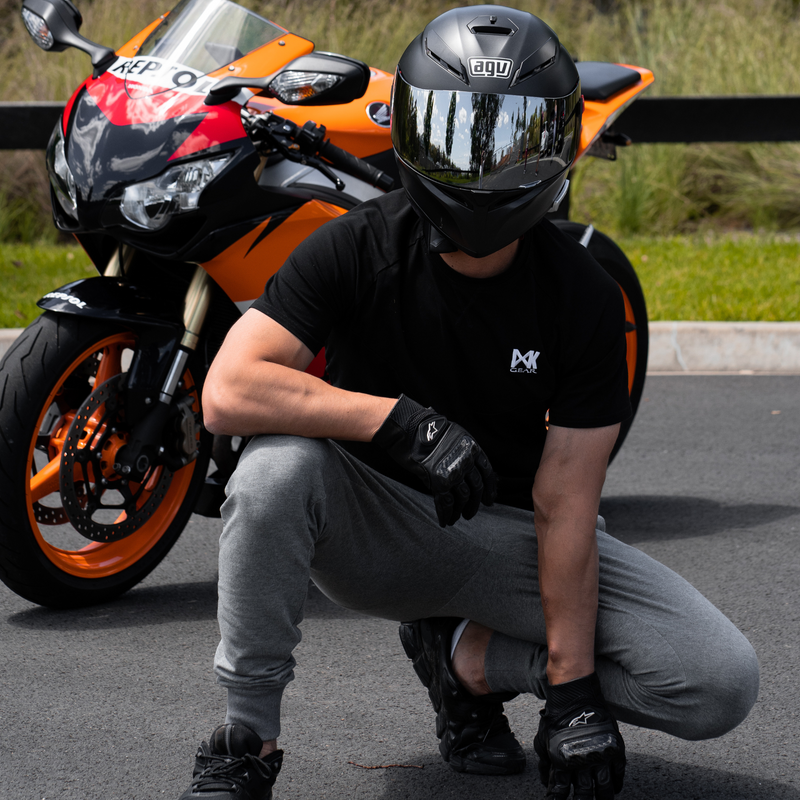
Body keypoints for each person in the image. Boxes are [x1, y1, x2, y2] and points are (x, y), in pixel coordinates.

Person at [178, 6, 759, 799]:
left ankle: (465, 662)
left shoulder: (584, 298)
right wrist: (391, 418)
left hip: (509, 540)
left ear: (556, 146)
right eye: (455, 132)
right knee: (273, 468)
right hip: (370, 528)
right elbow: (227, 391)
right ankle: (247, 741)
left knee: (719, 681)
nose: (482, 164)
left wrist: (573, 691)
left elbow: (566, 505)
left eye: (512, 139)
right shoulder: (355, 246)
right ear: (414, 133)